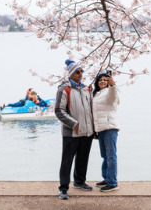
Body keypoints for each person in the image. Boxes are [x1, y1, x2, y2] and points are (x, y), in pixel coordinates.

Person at [55, 59, 95, 200]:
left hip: (87, 131)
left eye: (82, 71)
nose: (80, 74)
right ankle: (63, 188)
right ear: (71, 74)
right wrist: (74, 124)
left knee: (83, 158)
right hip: (71, 132)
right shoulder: (64, 89)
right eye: (77, 72)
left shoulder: (86, 89)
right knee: (67, 160)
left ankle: (79, 181)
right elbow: (59, 111)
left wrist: (93, 129)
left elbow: (91, 109)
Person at [92, 72, 120, 192]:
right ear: (97, 82)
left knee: (111, 156)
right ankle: (107, 179)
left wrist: (113, 86)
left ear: (108, 82)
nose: (102, 81)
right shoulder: (96, 94)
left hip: (109, 128)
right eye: (100, 80)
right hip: (101, 130)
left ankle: (113, 183)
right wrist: (95, 130)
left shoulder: (110, 92)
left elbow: (113, 96)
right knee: (105, 156)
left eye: (105, 80)